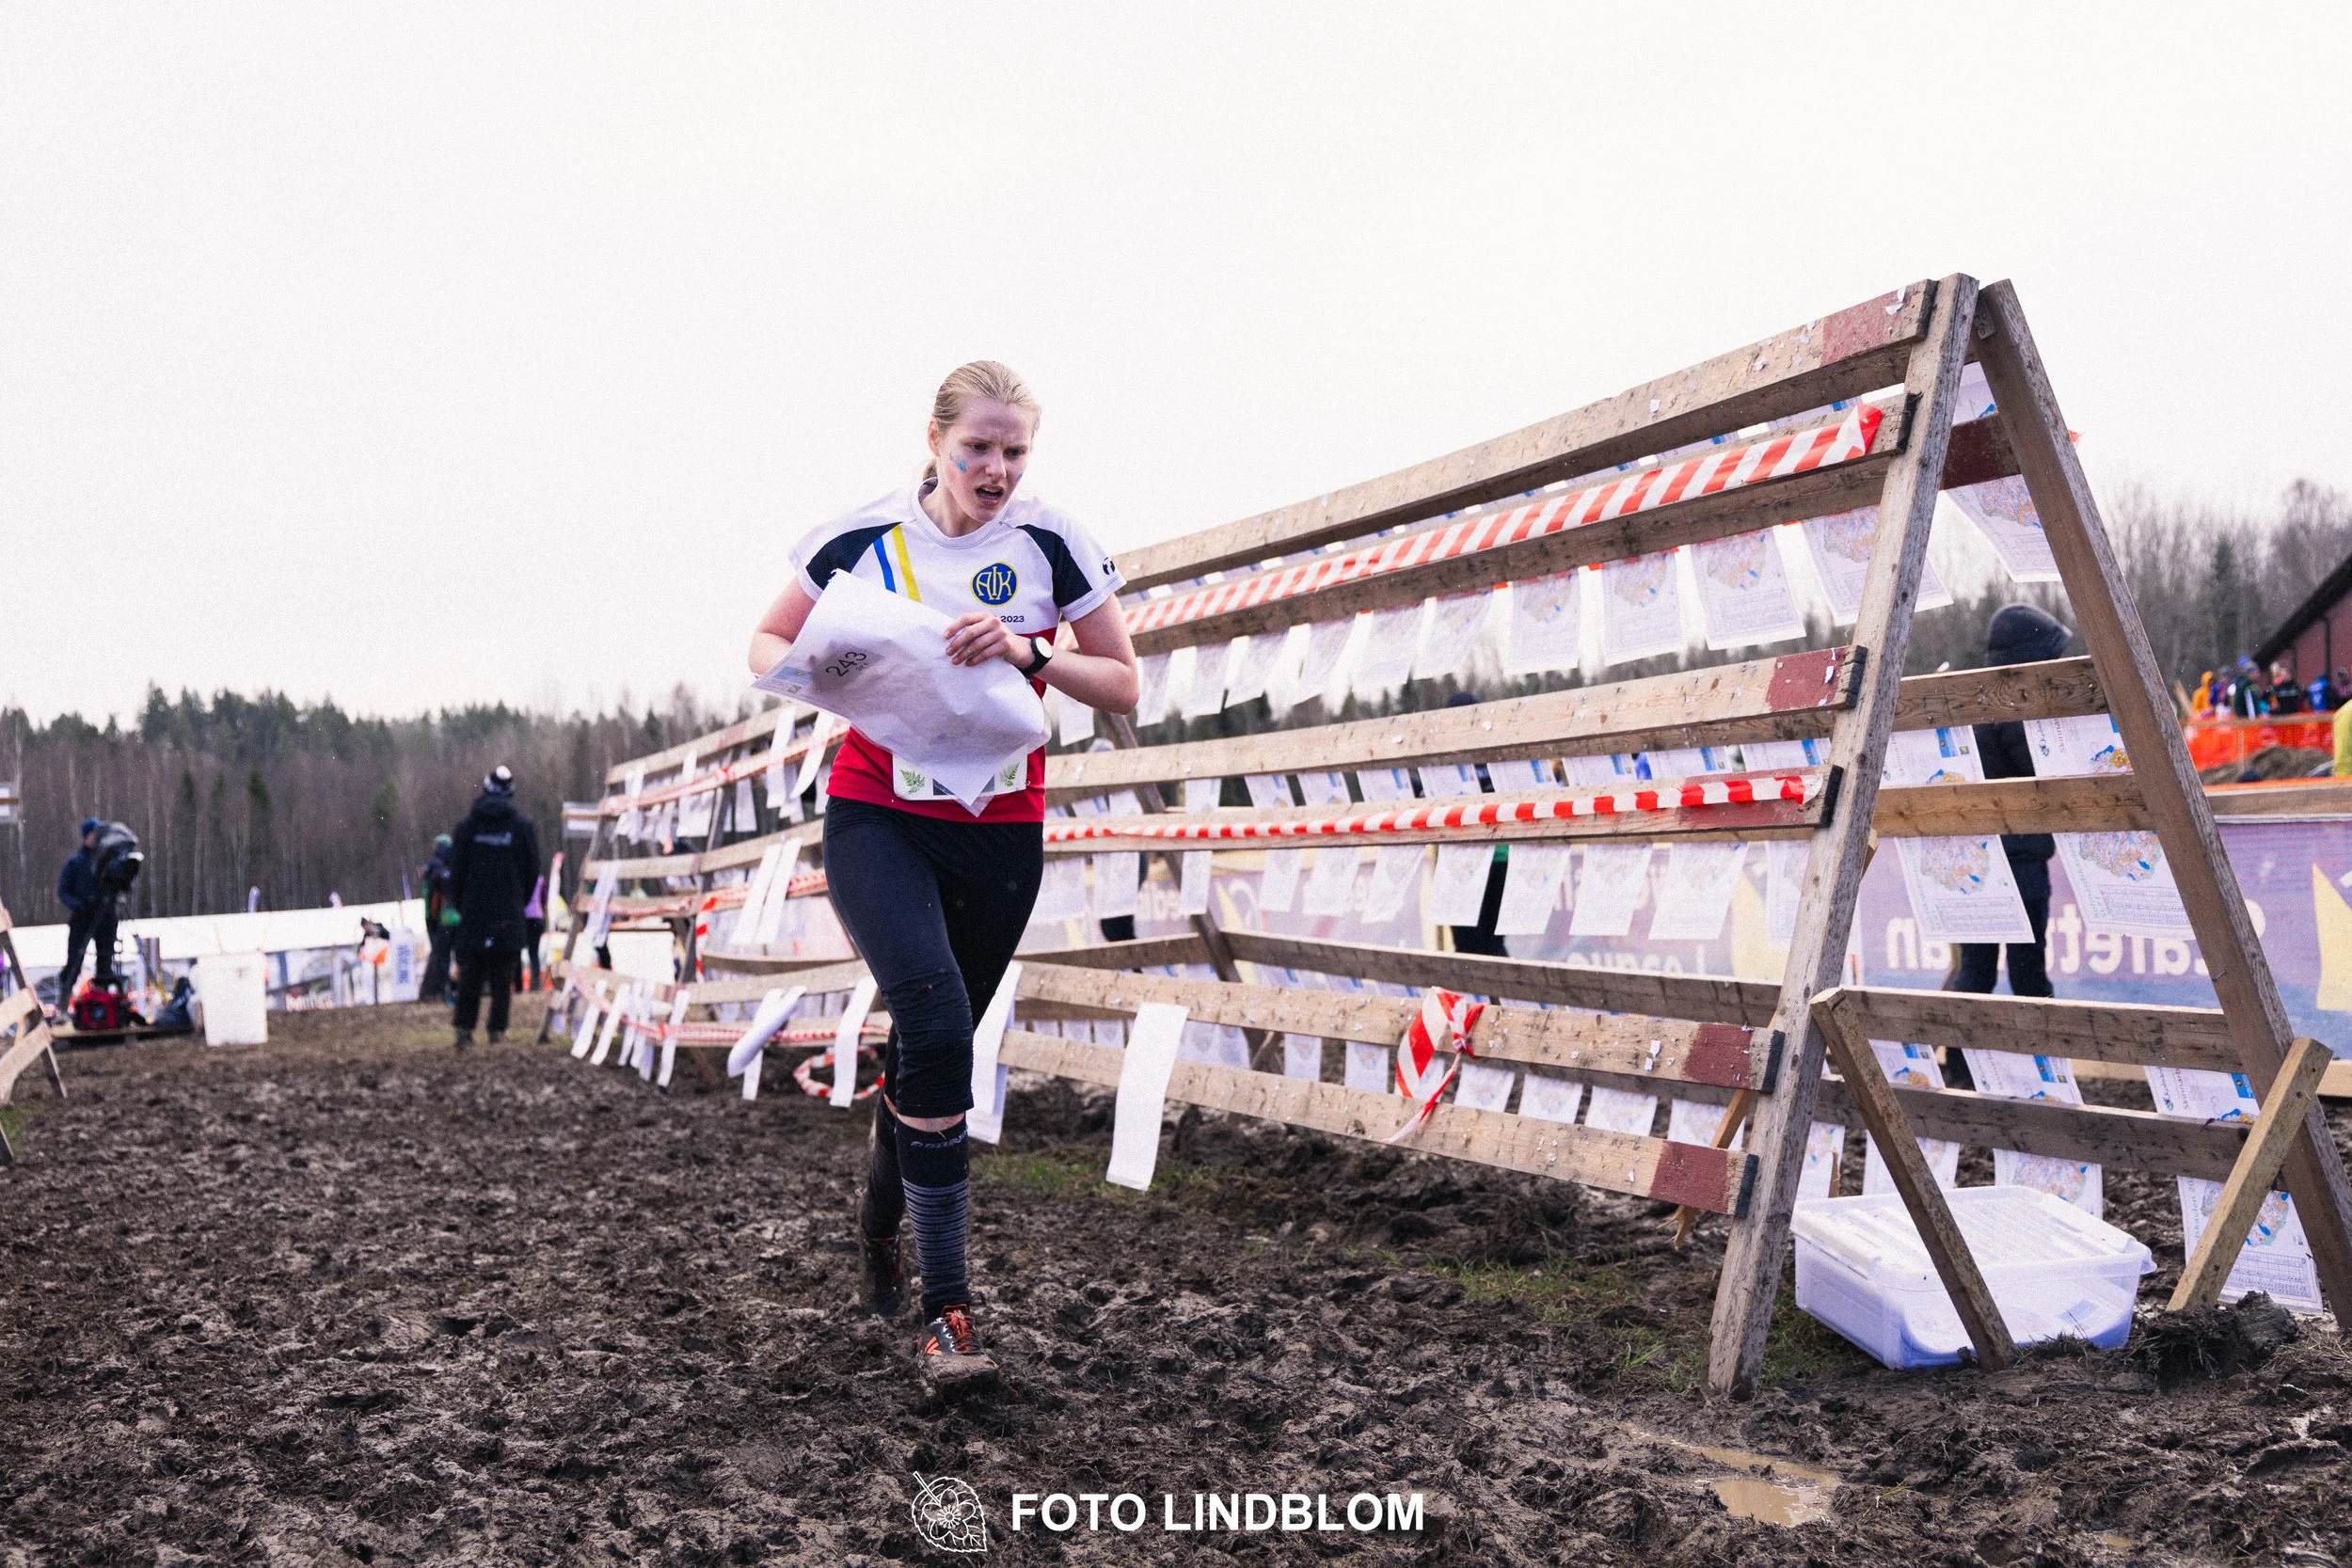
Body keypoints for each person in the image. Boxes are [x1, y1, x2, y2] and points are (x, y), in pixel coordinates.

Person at [747, 360, 1137, 1388]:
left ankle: (879, 1223)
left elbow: (1124, 682)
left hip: (997, 823)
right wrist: (838, 670)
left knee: (935, 1043)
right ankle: (948, 1311)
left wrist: (1029, 650)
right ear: (934, 440)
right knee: (928, 1018)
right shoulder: (864, 534)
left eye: (1015, 451)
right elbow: (767, 639)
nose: (997, 469)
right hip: (879, 810)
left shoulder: (1052, 541)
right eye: (979, 448)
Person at [1948, 605, 2069, 998]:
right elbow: (2049, 774)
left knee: (1976, 971)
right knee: (2028, 974)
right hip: (2021, 864)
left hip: (1979, 862)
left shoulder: (1982, 705)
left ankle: (1964, 1061)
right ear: (2031, 661)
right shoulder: (2016, 713)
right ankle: (2037, 1060)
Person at [448, 766, 542, 1046]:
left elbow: (456, 871)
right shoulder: (522, 827)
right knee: (503, 977)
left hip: (474, 912)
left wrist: (464, 904)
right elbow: (532, 870)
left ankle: (464, 1029)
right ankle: (497, 1030)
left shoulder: (466, 827)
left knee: (471, 973)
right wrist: (517, 901)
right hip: (508, 912)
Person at [54, 818, 119, 1013]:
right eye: (94, 833)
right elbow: (63, 891)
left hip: (106, 917)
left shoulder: (108, 861)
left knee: (105, 960)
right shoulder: (75, 862)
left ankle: (103, 1007)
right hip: (82, 918)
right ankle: (63, 1007)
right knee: (74, 960)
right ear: (87, 835)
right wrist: (79, 905)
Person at [418, 833, 457, 1003]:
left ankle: (438, 990)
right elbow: (434, 897)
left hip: (440, 918)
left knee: (440, 956)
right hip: (442, 918)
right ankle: (440, 990)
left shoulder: (434, 867)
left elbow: (433, 896)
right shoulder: (439, 867)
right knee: (442, 956)